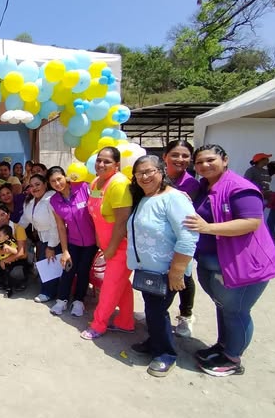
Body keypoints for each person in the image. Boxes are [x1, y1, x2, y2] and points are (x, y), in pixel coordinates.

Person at [184, 144, 275, 377]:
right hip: (216, 264)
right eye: (199, 162)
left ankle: (233, 359)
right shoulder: (205, 186)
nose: (204, 165)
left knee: (236, 311)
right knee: (223, 307)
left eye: (210, 160)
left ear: (225, 160)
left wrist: (208, 228)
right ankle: (223, 347)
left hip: (243, 265)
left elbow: (251, 222)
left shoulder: (240, 188)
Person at [127, 155, 199, 377]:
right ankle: (155, 341)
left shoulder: (174, 199)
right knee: (153, 310)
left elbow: (188, 236)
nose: (144, 177)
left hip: (166, 271)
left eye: (149, 171)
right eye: (139, 173)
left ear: (161, 171)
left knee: (156, 311)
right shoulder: (145, 197)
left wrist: (177, 271)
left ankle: (166, 354)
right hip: (148, 269)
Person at [80, 146, 134, 340]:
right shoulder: (95, 182)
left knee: (109, 287)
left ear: (117, 165)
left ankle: (98, 325)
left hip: (120, 247)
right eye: (99, 160)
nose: (101, 164)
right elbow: (95, 214)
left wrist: (111, 248)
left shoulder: (119, 184)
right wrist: (99, 240)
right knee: (121, 284)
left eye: (107, 161)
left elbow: (122, 221)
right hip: (106, 245)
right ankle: (125, 322)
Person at [47, 167, 98, 315]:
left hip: (91, 242)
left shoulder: (83, 187)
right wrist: (65, 251)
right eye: (53, 181)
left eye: (59, 179)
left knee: (83, 270)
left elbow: (100, 203)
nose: (57, 183)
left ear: (65, 177)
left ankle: (78, 301)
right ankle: (61, 300)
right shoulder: (54, 201)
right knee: (68, 269)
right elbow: (61, 227)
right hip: (73, 241)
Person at [163, 140, 200, 337]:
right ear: (165, 157)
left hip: (181, 238)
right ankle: (158, 312)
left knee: (184, 276)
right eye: (175, 155)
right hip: (160, 239)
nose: (180, 159)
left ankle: (186, 315)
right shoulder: (157, 176)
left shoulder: (191, 184)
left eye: (185, 156)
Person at [18, 173, 60, 303]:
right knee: (45, 264)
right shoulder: (30, 200)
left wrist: (51, 246)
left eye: (37, 184)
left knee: (50, 266)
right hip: (41, 239)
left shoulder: (51, 199)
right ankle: (49, 290)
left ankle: (48, 293)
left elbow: (55, 225)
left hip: (54, 238)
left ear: (45, 184)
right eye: (31, 186)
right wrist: (11, 231)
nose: (34, 188)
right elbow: (24, 220)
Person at [0, 204, 28, 292]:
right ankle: (3, 279)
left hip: (17, 259)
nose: (0, 218)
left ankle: (16, 281)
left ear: (8, 215)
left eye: (2, 215)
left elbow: (21, 253)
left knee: (16, 273)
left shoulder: (18, 229)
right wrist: (5, 252)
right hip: (3, 256)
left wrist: (5, 260)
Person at [0, 225, 22, 297]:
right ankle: (1, 282)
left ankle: (9, 289)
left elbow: (16, 251)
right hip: (0, 262)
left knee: (7, 274)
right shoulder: (0, 242)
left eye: (0, 235)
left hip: (8, 262)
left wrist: (9, 248)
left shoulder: (10, 242)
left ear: (7, 237)